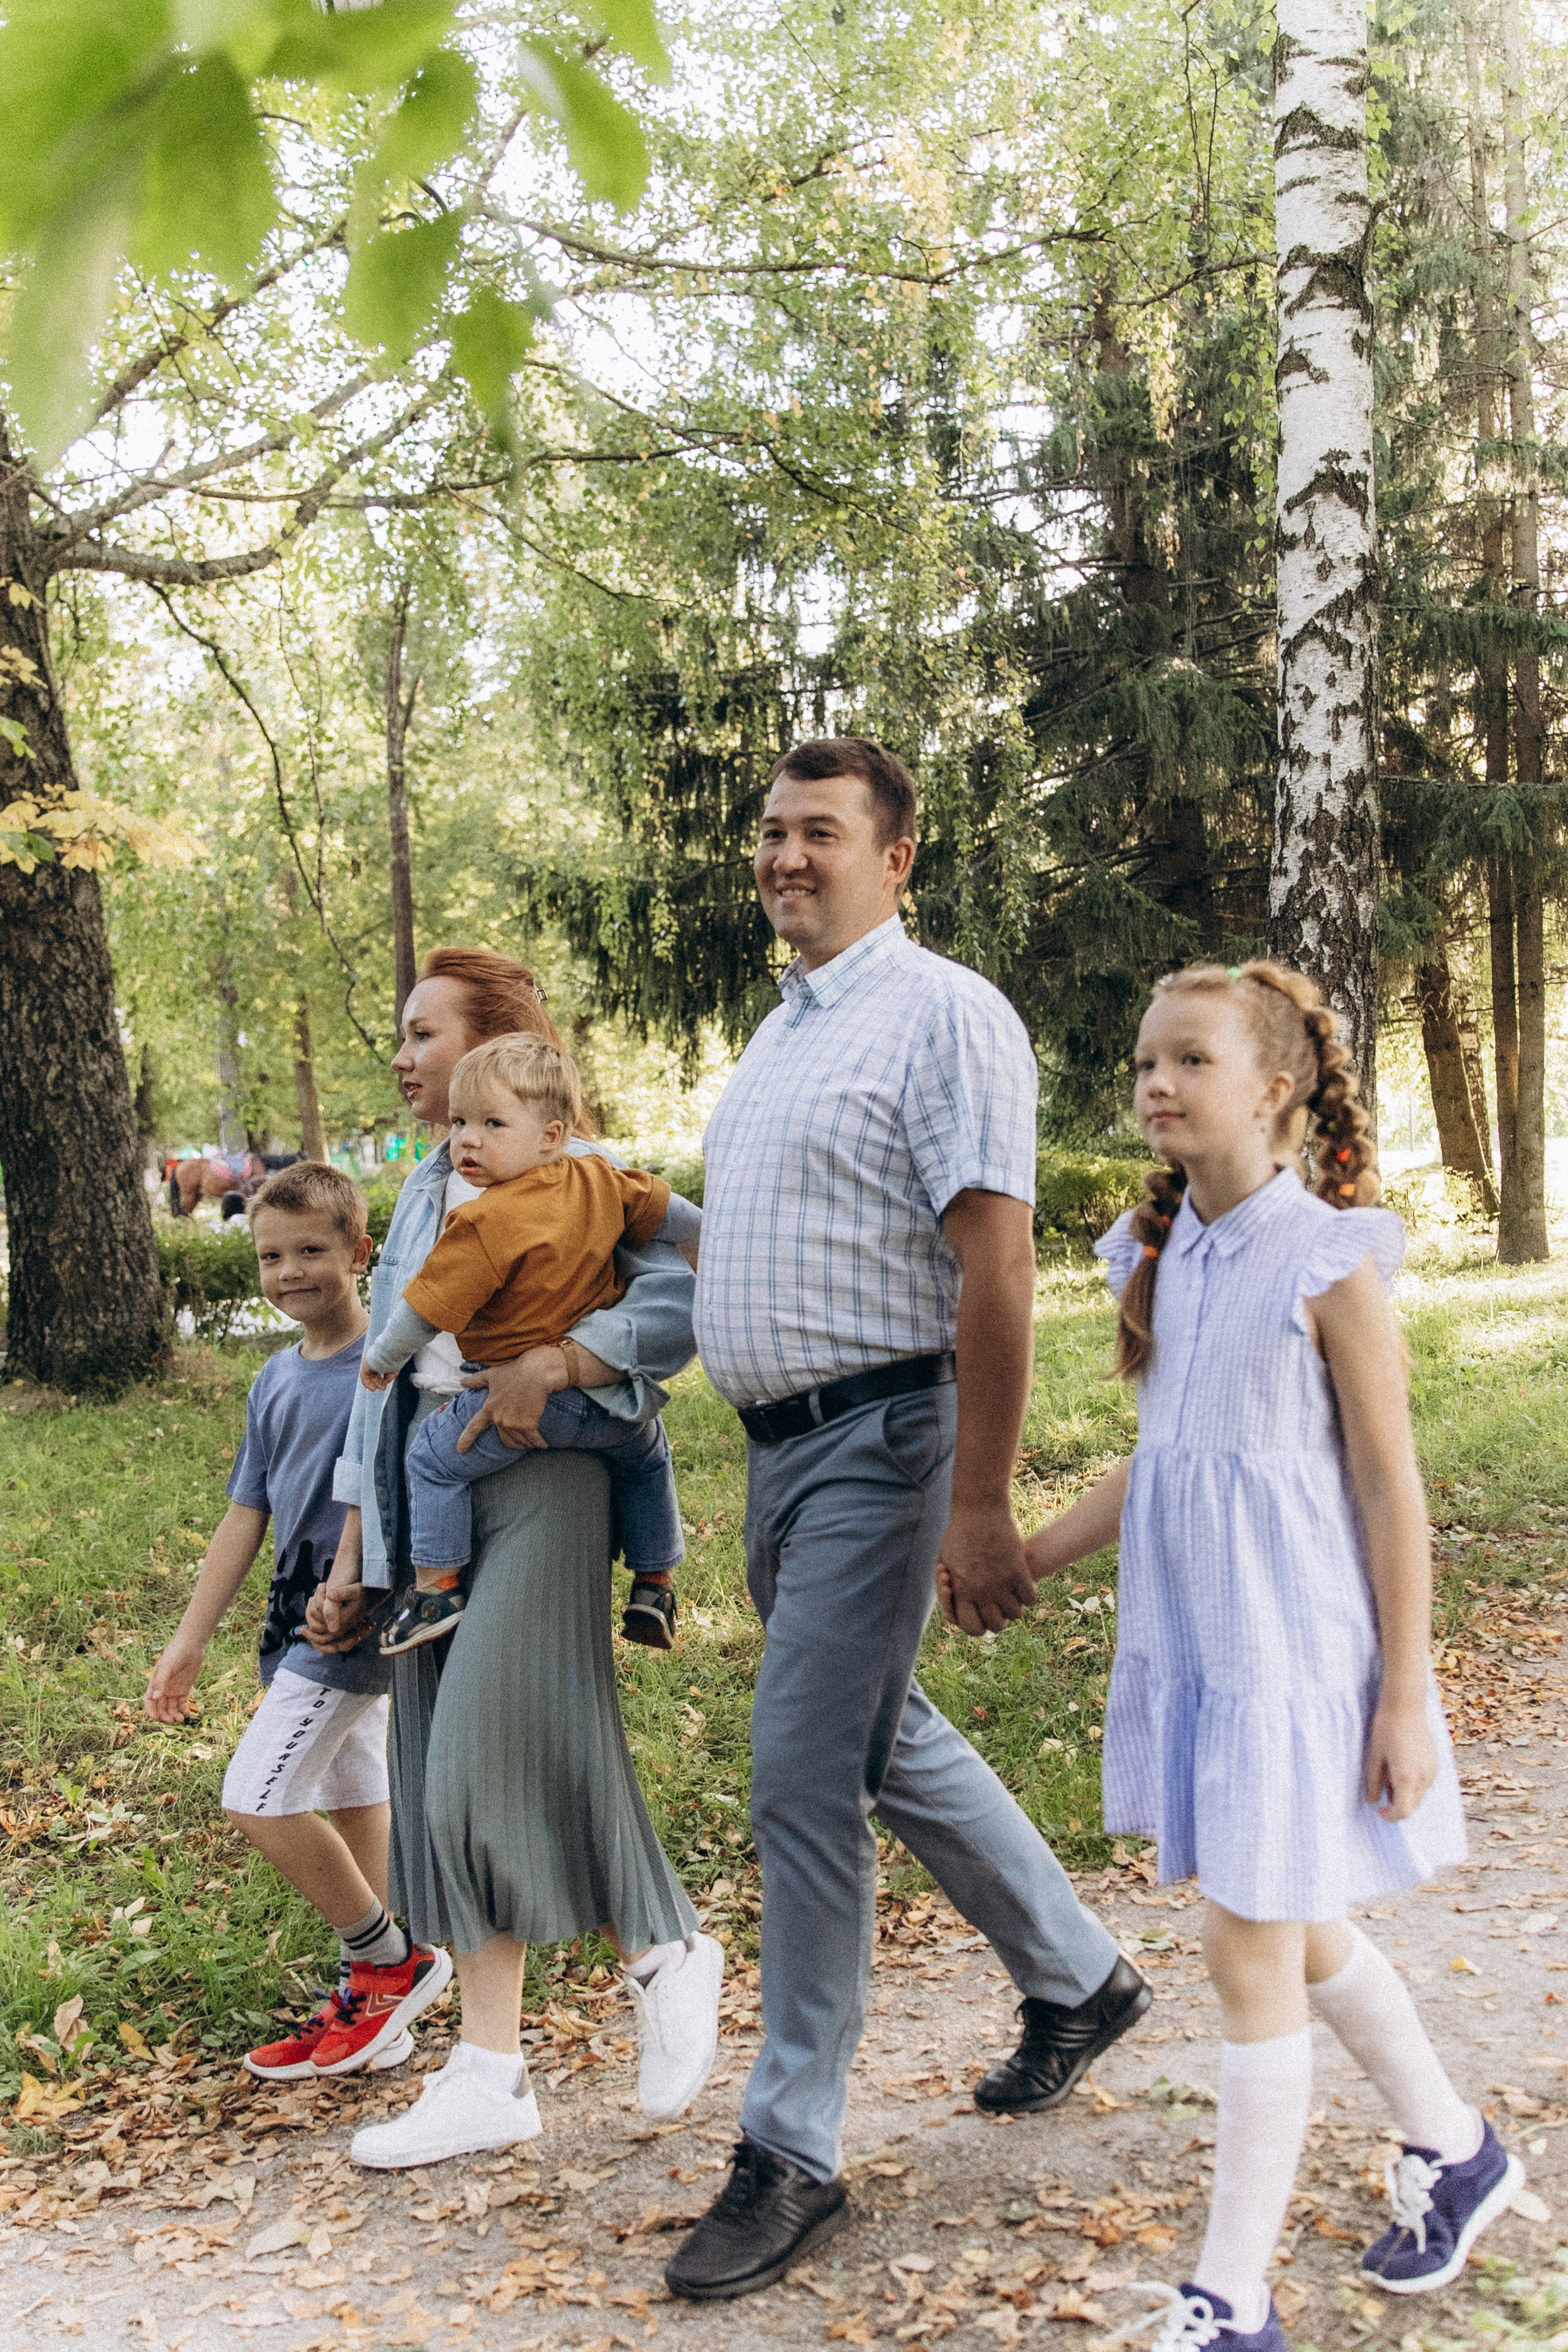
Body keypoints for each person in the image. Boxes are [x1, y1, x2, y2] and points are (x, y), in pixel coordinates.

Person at [667, 739, 1144, 2304]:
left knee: (804, 1768)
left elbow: (994, 1266)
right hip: (780, 1452)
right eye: (769, 830)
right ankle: (1078, 1974)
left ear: (897, 854)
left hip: (883, 1437)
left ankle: (789, 2142)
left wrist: (981, 1495)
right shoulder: (783, 1026)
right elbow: (767, 1232)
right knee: (880, 1732)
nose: (784, 855)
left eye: (818, 831)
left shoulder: (942, 1012)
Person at [1020, 961, 1520, 2352]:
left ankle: (1232, 2301)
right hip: (1208, 1647)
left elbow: (1389, 1490)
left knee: (1248, 1945)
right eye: (1143, 1064)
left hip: (1298, 1658)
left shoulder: (1329, 1257)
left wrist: (1406, 1694)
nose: (1157, 1084)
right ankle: (1458, 2148)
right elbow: (1171, 1461)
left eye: (1187, 1060)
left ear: (1277, 1089)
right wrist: (1029, 1557)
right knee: (1293, 1932)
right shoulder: (1167, 1255)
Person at [303, 946, 721, 2167]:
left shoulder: (579, 1174)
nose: (401, 1055)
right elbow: (378, 1388)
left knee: (498, 1742)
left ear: (495, 1046)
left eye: (423, 1034)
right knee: (437, 1775)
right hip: (428, 1504)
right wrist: (351, 1549)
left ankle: (662, 1943)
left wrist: (566, 1360)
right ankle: (490, 2072)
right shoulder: (432, 1186)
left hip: (545, 1473)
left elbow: (686, 1294)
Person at [144, 1163, 451, 2081]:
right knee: (354, 1797)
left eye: (312, 1251)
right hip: (289, 1627)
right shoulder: (274, 1380)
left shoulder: (391, 1369)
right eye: (271, 1256)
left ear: (360, 1254)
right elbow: (247, 1515)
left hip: (352, 1627)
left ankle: (393, 1959)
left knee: (258, 1794)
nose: (289, 1273)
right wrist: (190, 1641)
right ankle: (373, 2006)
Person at [362, 1033, 696, 1656]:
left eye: (492, 1123)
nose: (468, 1139)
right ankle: (655, 1582)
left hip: (518, 1400)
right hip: (603, 1397)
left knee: (432, 1459)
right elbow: (675, 1214)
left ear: (550, 1134)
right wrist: (719, 1235)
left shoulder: (484, 1222)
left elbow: (421, 1314)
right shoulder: (600, 1178)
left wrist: (382, 1360)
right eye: (460, 1122)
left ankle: (436, 1588)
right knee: (649, 1458)